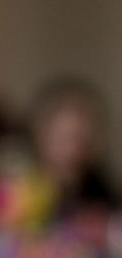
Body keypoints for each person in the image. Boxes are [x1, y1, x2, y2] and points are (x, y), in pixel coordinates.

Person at [28, 78, 118, 218]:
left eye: (79, 139)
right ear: (41, 136)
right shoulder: (24, 188)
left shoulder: (100, 191)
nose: (71, 150)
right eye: (63, 138)